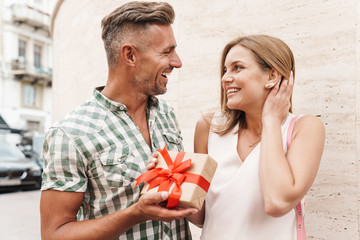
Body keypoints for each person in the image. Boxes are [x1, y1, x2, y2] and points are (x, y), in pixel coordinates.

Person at [40, 2, 198, 240]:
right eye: (167, 51)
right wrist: (135, 213)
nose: (177, 62)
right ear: (130, 55)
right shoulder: (69, 133)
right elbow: (54, 234)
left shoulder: (165, 112)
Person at [189, 35, 325, 239]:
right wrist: (169, 183)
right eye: (225, 70)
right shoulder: (208, 127)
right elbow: (200, 215)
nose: (225, 78)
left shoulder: (304, 128)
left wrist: (270, 120)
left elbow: (277, 203)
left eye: (237, 68)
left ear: (271, 76)